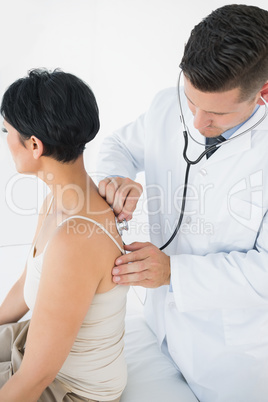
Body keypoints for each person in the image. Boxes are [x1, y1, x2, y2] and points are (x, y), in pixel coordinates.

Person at [97, 4, 268, 402]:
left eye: (216, 113)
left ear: (263, 93)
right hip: (160, 326)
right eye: (192, 102)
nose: (196, 122)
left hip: (233, 360)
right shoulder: (167, 103)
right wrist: (117, 178)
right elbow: (119, 145)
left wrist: (175, 272)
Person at [0, 69, 129, 402]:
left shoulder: (76, 238)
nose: (5, 141)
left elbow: (37, 376)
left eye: (6, 132)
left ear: (34, 145)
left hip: (66, 389)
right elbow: (25, 286)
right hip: (33, 350)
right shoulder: (59, 200)